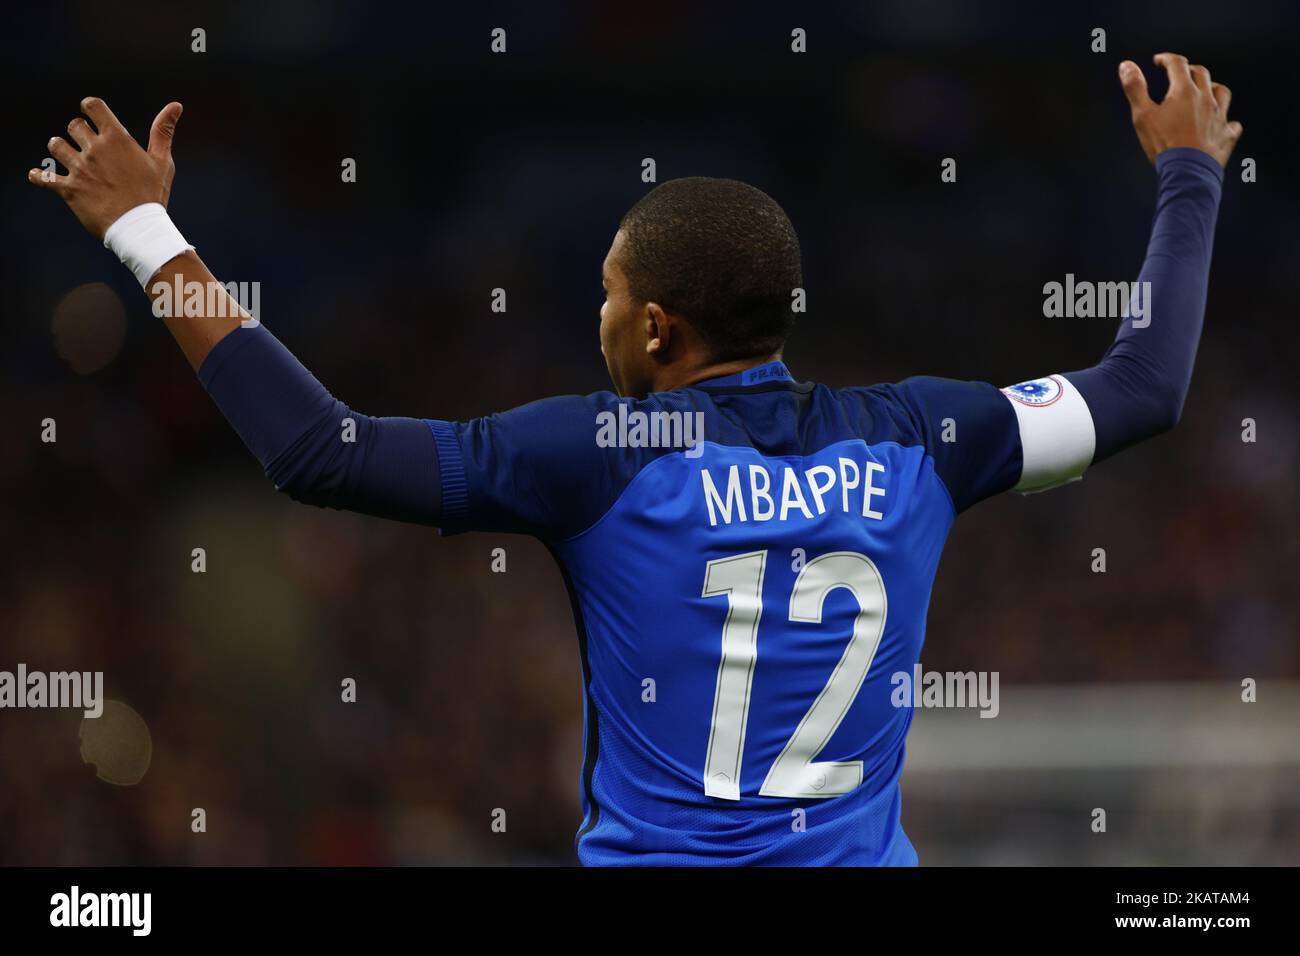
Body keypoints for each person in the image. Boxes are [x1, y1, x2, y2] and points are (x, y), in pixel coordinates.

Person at [28, 53, 1241, 865]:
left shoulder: (600, 452)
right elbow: (1141, 387)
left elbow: (315, 450)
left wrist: (144, 229)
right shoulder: (922, 433)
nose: (598, 316)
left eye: (608, 294)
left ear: (655, 325)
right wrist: (1187, 174)